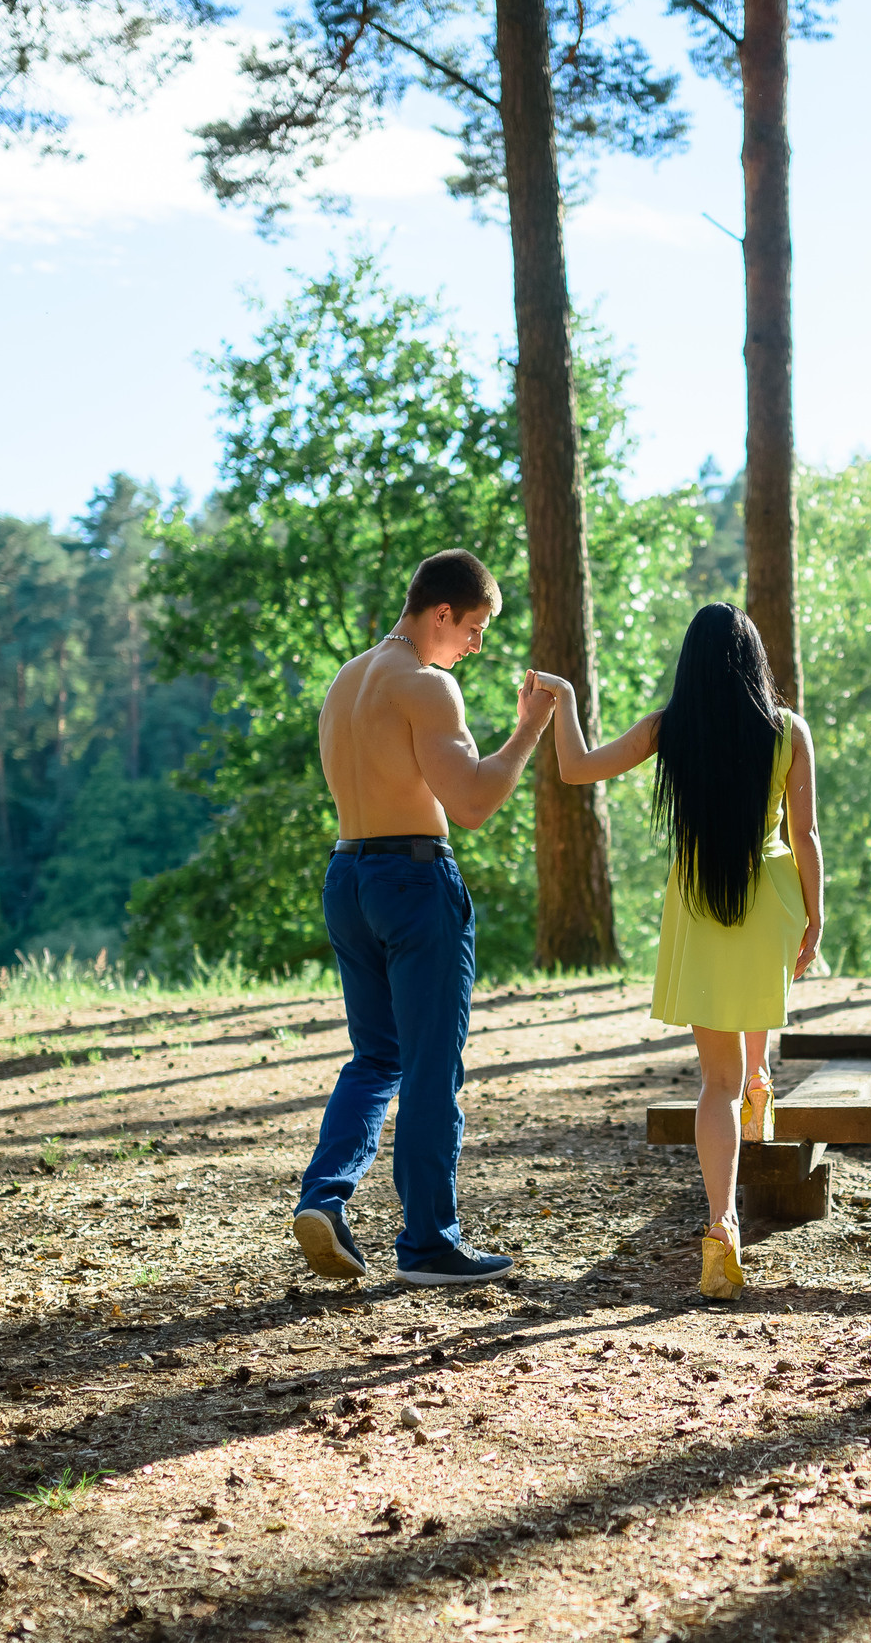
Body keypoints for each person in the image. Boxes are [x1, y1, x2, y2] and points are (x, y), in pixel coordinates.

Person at [530, 604, 822, 1301]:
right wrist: (817, 912)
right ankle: (762, 1083)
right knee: (755, 998)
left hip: (699, 899)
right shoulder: (787, 730)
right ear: (754, 660)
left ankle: (721, 1222)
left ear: (689, 665)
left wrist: (566, 699)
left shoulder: (671, 728)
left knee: (711, 1082)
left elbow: (575, 768)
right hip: (771, 891)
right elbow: (805, 835)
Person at [301, 548, 554, 1287]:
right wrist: (530, 727)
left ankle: (324, 1198)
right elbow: (472, 803)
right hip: (411, 878)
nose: (475, 645)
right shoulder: (428, 685)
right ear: (441, 613)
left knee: (376, 1057)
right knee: (431, 1063)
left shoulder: (348, 679)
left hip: (347, 873)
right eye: (473, 627)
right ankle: (430, 1242)